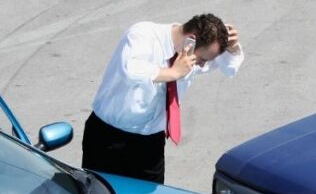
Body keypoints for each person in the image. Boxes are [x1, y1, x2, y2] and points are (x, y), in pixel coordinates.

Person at [82, 13, 243, 184]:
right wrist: (173, 73)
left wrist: (233, 49)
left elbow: (229, 69)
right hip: (109, 139)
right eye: (202, 59)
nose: (202, 65)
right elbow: (130, 70)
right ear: (191, 40)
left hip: (150, 145)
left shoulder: (189, 56)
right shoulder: (143, 34)